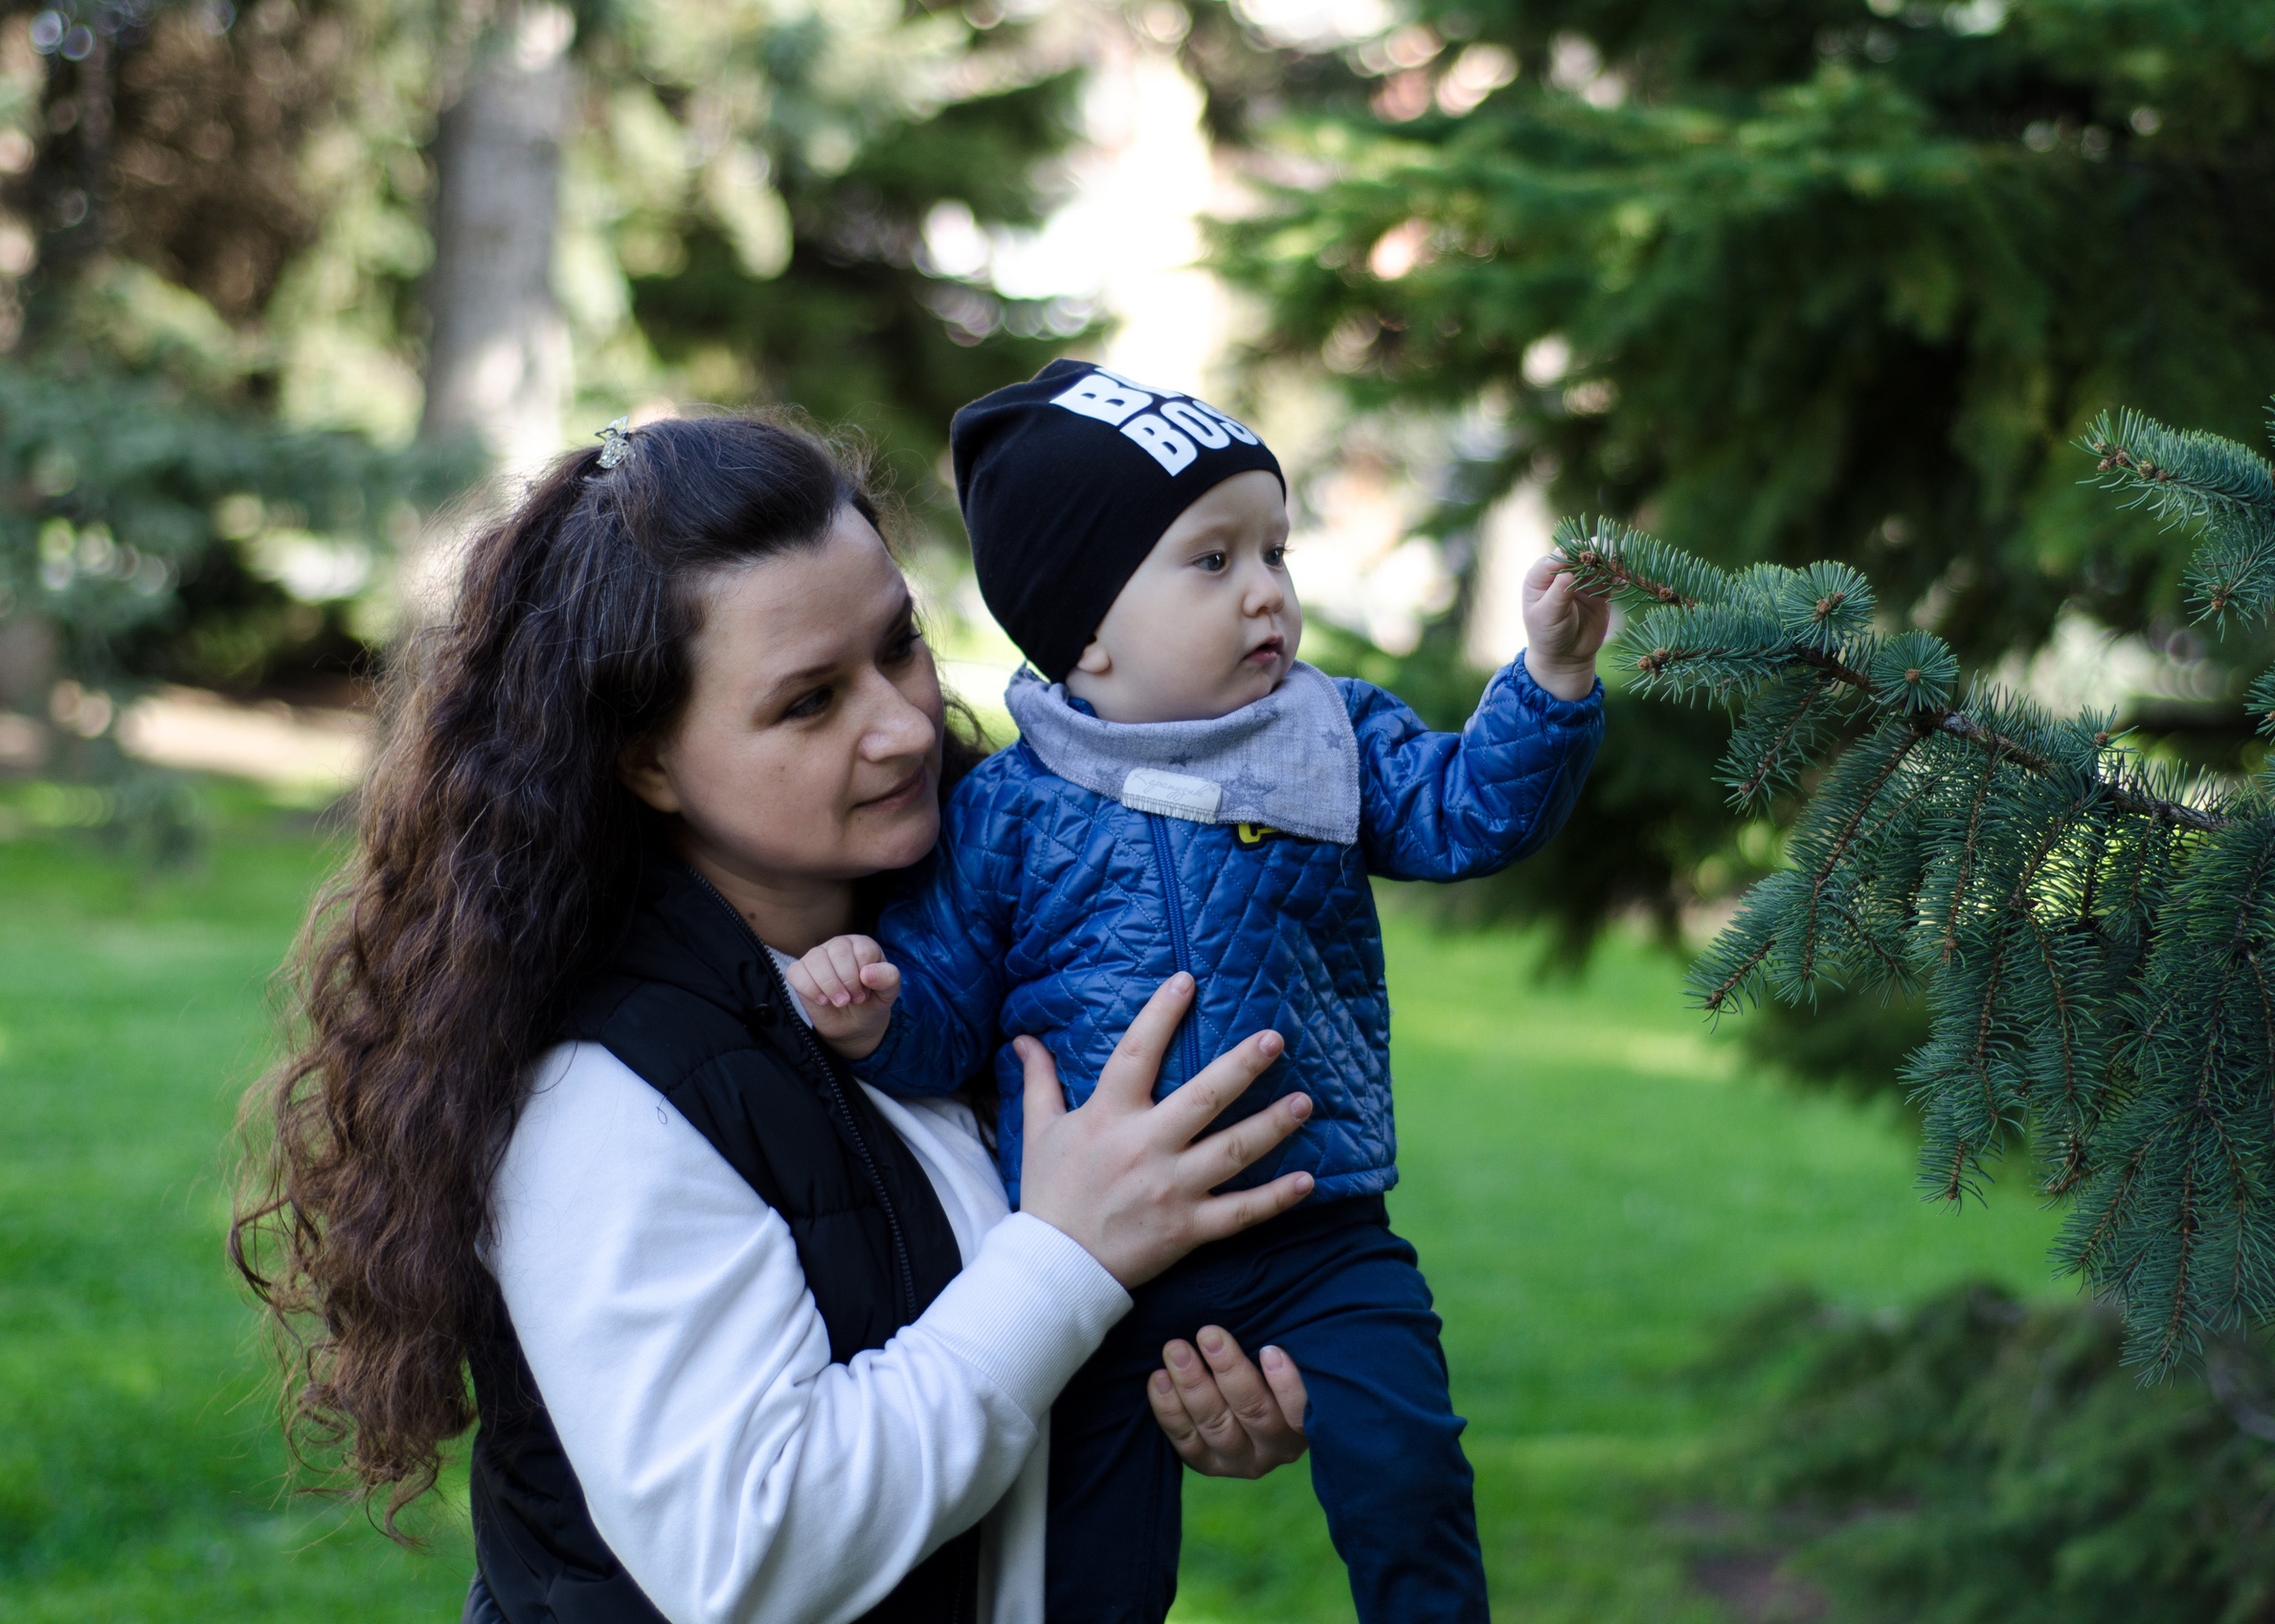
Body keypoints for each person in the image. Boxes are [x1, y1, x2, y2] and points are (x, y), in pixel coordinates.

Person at [230, 413, 1325, 1624]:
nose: (906, 722)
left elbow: (1008, 1351)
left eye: (899, 643)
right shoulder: (603, 1090)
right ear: (647, 760)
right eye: (809, 701)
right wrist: (1069, 1259)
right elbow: (752, 1550)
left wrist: (1200, 1371)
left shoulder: (982, 940)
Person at [785, 359, 1611, 1623]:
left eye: (1275, 550)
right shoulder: (1006, 812)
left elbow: (1460, 815)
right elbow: (951, 1014)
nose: (1268, 591)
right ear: (1088, 629)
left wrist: (1546, 690)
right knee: (1086, 1566)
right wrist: (875, 1012)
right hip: (1096, 1268)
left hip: (1316, 1228)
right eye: (1212, 561)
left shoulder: (1326, 736)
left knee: (1409, 1471)